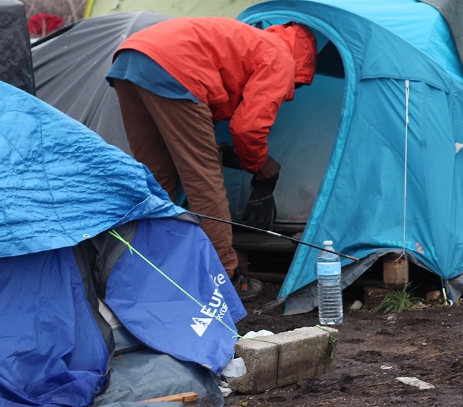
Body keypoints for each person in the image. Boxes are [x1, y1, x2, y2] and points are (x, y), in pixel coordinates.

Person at [106, 17, 317, 301]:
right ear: (303, 62)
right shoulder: (280, 57)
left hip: (130, 58)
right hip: (175, 68)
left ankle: (151, 269)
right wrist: (259, 164)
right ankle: (226, 276)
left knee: (155, 179)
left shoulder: (253, 41)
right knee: (204, 183)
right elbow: (248, 127)